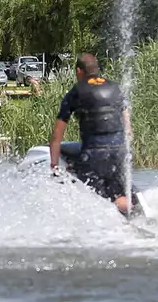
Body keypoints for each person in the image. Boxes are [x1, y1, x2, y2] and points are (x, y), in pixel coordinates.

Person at [49, 53, 137, 216]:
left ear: (79, 71)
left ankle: (120, 210)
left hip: (95, 153)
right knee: (119, 187)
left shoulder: (76, 92)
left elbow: (57, 136)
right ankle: (134, 209)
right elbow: (128, 127)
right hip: (120, 151)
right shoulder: (114, 87)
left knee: (92, 189)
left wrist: (54, 166)